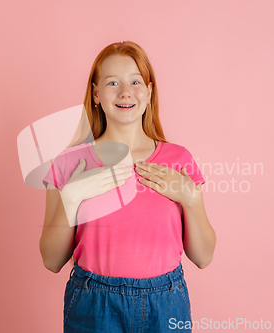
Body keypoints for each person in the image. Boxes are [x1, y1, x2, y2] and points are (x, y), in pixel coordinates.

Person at [39, 41, 216, 333]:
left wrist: (192, 199)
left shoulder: (179, 159)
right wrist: (71, 198)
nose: (125, 92)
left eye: (135, 81)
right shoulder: (69, 163)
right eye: (112, 82)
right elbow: (51, 260)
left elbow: (203, 257)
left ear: (148, 92)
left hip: (166, 303)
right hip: (93, 306)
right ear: (95, 93)